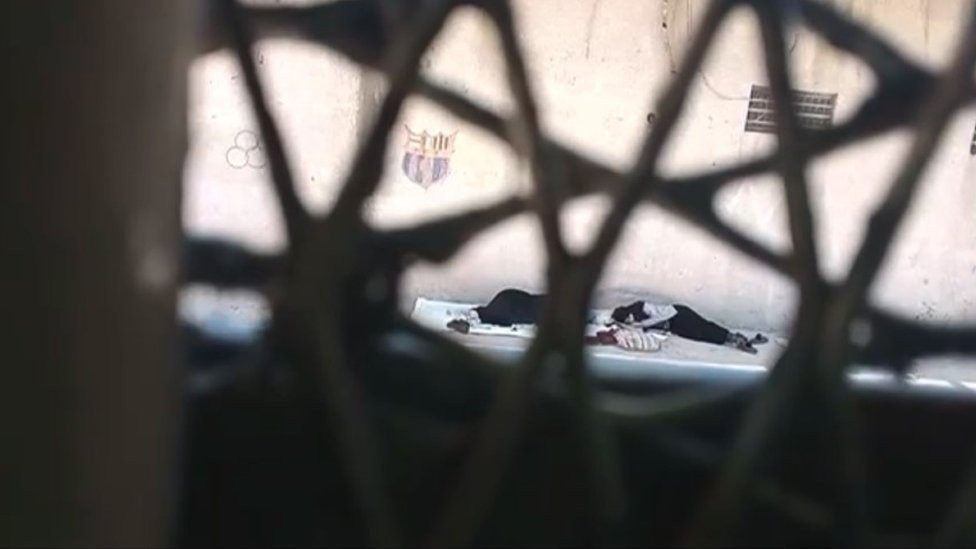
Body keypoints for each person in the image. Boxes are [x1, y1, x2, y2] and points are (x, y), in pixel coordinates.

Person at [610, 300, 767, 354]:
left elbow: (661, 314)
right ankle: (733, 339)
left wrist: (643, 324)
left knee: (704, 327)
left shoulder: (641, 307)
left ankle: (734, 337)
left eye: (628, 317)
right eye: (627, 320)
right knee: (700, 336)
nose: (630, 320)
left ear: (628, 311)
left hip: (678, 315)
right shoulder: (634, 322)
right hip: (675, 326)